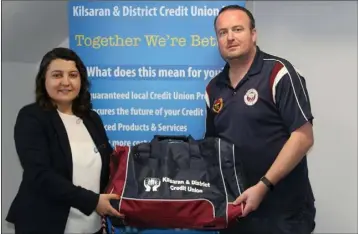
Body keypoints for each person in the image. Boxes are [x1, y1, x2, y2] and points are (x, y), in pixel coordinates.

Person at [205, 5, 316, 234]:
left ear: (253, 34)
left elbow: (303, 137)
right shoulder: (213, 89)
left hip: (284, 213)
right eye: (223, 32)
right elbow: (212, 149)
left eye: (237, 29)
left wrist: (263, 186)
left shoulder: (279, 73)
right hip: (237, 212)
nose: (230, 37)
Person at [6, 47, 122, 234]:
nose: (66, 82)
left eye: (73, 75)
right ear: (44, 80)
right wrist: (92, 201)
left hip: (91, 225)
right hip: (45, 223)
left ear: (81, 80)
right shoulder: (31, 117)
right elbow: (40, 174)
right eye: (57, 75)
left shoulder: (91, 118)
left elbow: (109, 162)